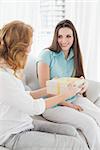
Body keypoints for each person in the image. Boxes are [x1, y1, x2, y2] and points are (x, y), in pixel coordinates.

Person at [0, 20, 87, 150]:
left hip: (25, 124)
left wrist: (49, 89)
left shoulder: (8, 71)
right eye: (29, 44)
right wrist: (64, 94)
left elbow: (23, 96)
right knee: (76, 144)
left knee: (71, 131)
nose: (30, 48)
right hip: (13, 134)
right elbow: (33, 107)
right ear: (19, 46)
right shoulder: (3, 78)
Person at [37, 19, 100, 150]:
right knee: (89, 124)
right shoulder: (46, 55)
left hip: (74, 98)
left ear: (74, 38)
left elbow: (77, 81)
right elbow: (46, 89)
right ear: (55, 37)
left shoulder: (74, 55)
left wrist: (84, 84)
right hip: (52, 105)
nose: (63, 40)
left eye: (68, 36)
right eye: (60, 36)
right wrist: (69, 105)